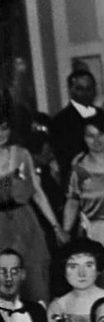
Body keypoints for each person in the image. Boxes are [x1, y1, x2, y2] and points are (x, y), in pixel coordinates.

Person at [0, 112, 63, 302]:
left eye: (4, 128)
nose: (1, 134)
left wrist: (56, 227)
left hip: (26, 224)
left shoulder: (22, 154)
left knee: (37, 286)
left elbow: (37, 193)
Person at [62, 115, 104, 259]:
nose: (96, 140)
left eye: (101, 134)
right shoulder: (78, 170)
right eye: (91, 136)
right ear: (83, 138)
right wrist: (65, 232)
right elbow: (72, 202)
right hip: (93, 234)